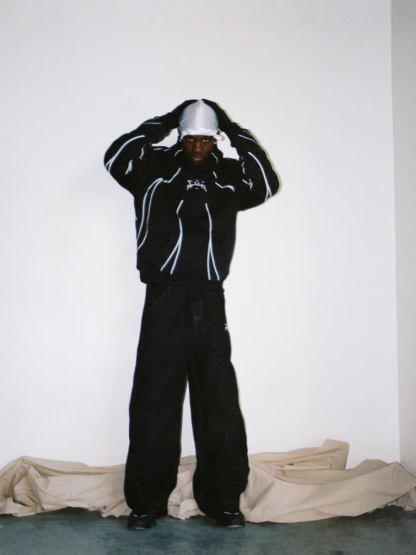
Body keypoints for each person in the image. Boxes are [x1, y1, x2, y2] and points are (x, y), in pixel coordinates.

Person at [104, 99, 279, 530]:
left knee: (218, 404)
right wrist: (165, 122)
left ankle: (223, 501)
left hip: (209, 298)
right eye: (190, 138)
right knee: (154, 404)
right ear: (180, 137)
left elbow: (266, 183)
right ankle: (145, 503)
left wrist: (233, 129)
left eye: (206, 138)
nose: (198, 147)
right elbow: (115, 157)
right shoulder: (153, 169)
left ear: (214, 139)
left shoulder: (228, 176)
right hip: (163, 298)